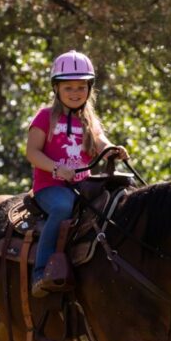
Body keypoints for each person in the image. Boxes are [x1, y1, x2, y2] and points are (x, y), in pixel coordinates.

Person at [25, 50, 127, 297]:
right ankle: (41, 272)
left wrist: (113, 150)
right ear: (56, 89)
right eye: (68, 87)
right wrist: (58, 168)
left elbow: (101, 142)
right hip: (50, 187)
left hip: (83, 186)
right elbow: (32, 152)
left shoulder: (89, 121)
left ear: (89, 89)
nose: (75, 93)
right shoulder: (45, 117)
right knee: (62, 208)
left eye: (81, 87)